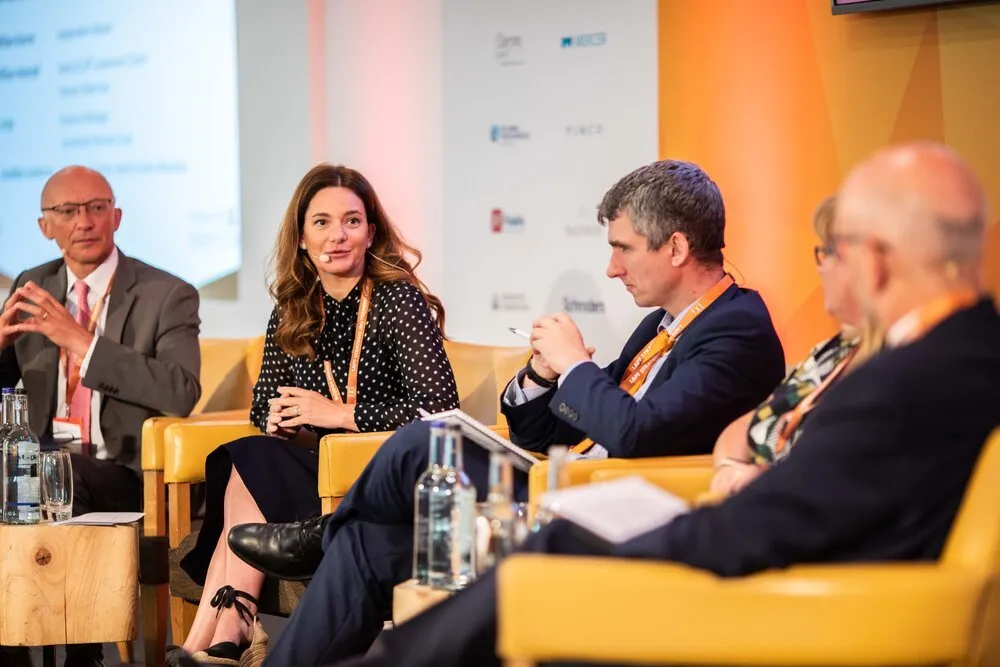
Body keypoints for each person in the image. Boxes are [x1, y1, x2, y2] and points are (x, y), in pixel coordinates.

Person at [326, 141, 1000, 667]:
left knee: (552, 548)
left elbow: (761, 518)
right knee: (376, 542)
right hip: (802, 571)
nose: (833, 267)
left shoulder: (894, 383)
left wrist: (642, 533)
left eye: (837, 250)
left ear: (875, 261)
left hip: (806, 606)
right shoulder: (967, 355)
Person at [218, 159, 787, 667]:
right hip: (557, 484)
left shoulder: (736, 329)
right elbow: (538, 427)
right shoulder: (658, 325)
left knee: (428, 437)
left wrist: (577, 369)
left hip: (606, 510)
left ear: (678, 249)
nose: (613, 268)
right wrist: (542, 376)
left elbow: (637, 433)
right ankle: (325, 549)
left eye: (623, 248)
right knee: (364, 544)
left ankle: (320, 534)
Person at [175, 164, 460, 665]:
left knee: (250, 463)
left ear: (371, 232)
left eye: (352, 221)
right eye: (322, 222)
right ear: (302, 238)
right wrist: (280, 419)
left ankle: (215, 639)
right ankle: (222, 637)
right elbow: (263, 400)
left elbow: (439, 412)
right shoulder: (293, 307)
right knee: (254, 451)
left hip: (379, 483)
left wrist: (340, 414)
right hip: (312, 473)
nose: (337, 236)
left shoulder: (398, 301)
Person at [0, 166, 201, 667]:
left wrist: (82, 343)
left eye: (95, 208)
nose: (83, 221)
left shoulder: (166, 294)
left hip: (125, 472)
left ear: (117, 216)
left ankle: (81, 652)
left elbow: (182, 391)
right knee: (30, 468)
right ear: (46, 225)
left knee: (53, 470)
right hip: (40, 461)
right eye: (67, 211)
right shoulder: (33, 284)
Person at [709, 195, 880, 497]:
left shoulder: (896, 366)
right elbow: (741, 429)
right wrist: (730, 468)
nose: (821, 267)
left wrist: (764, 484)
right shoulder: (832, 351)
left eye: (828, 252)